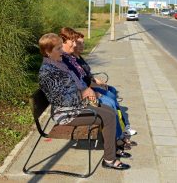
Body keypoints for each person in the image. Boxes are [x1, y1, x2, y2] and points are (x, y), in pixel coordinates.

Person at [38, 33, 130, 170]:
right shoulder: (47, 72)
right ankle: (110, 159)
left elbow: (73, 86)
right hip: (66, 114)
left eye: (60, 47)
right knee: (108, 116)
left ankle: (114, 148)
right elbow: (61, 100)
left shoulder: (58, 63)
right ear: (47, 51)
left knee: (109, 111)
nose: (61, 51)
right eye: (58, 49)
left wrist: (87, 91)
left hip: (76, 107)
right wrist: (84, 94)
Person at [72, 31, 137, 136]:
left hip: (89, 85)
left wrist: (95, 79)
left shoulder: (79, 57)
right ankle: (121, 129)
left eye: (82, 43)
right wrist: (94, 87)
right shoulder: (72, 60)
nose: (81, 46)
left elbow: (87, 73)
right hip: (86, 90)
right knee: (110, 97)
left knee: (112, 90)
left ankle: (123, 125)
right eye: (78, 43)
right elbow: (80, 80)